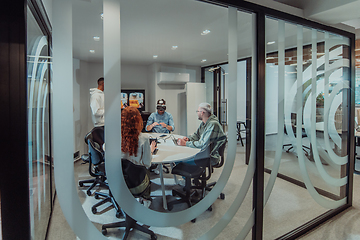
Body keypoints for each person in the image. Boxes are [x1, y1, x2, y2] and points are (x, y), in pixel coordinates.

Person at [121, 106, 157, 206]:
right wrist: (150, 150)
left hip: (119, 183)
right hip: (137, 185)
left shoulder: (115, 137)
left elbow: (104, 147)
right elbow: (147, 163)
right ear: (138, 120)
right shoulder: (143, 139)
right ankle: (145, 199)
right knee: (146, 170)